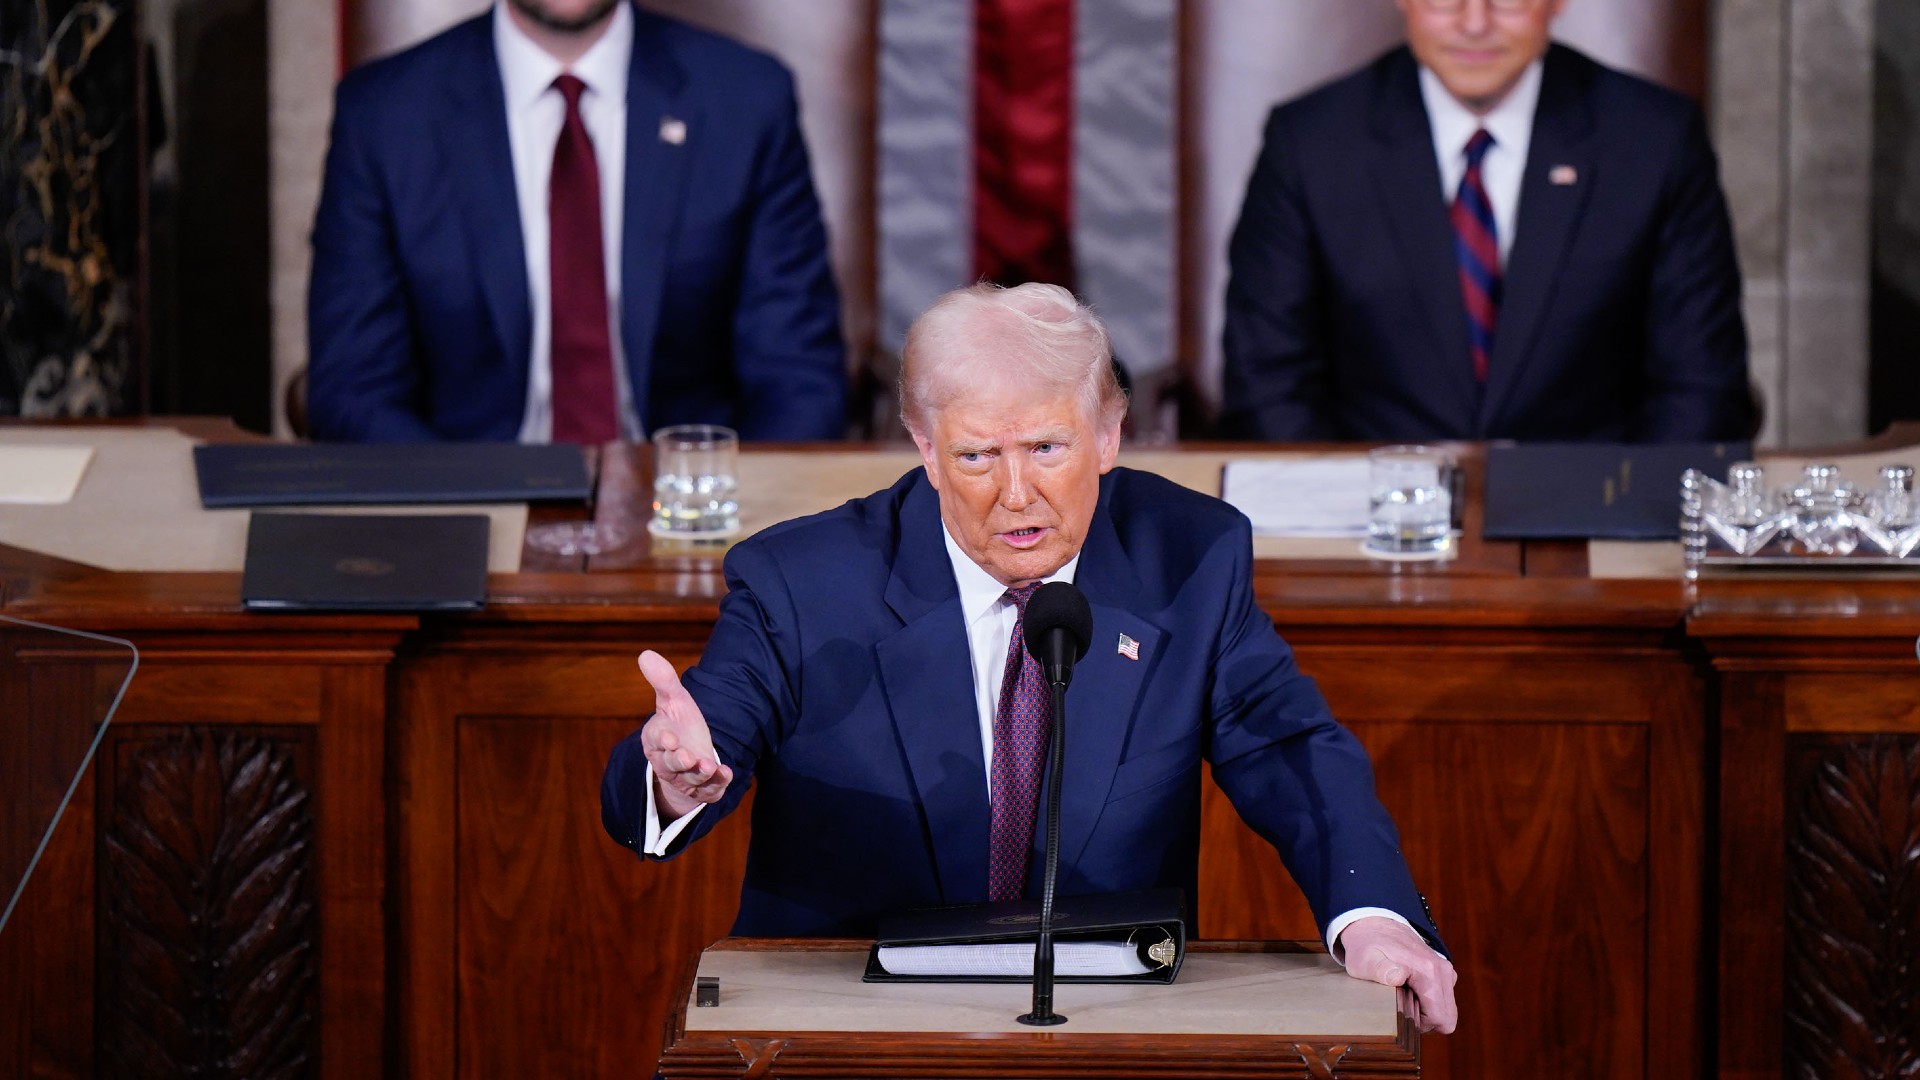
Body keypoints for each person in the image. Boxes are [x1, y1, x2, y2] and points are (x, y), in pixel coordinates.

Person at [601, 282, 1459, 1033]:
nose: (1017, 495)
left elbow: (1289, 747)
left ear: (1111, 435)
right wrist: (674, 777)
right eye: (977, 455)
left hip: (1099, 1028)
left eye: (1048, 449)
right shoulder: (803, 580)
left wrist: (1373, 916)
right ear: (925, 447)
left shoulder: (1189, 558)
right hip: (846, 1029)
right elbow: (713, 726)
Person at [307, 0, 846, 443]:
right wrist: (459, 508)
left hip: (694, 520)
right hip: (467, 513)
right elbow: (354, 388)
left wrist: (736, 526)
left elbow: (797, 377)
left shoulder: (746, 99)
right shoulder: (384, 114)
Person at [1219, 0, 1755, 443]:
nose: (1475, 22)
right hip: (1371, 520)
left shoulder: (1654, 138)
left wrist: (1640, 529)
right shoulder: (1309, 141)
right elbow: (1269, 384)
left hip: (1591, 517)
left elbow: (1700, 387)